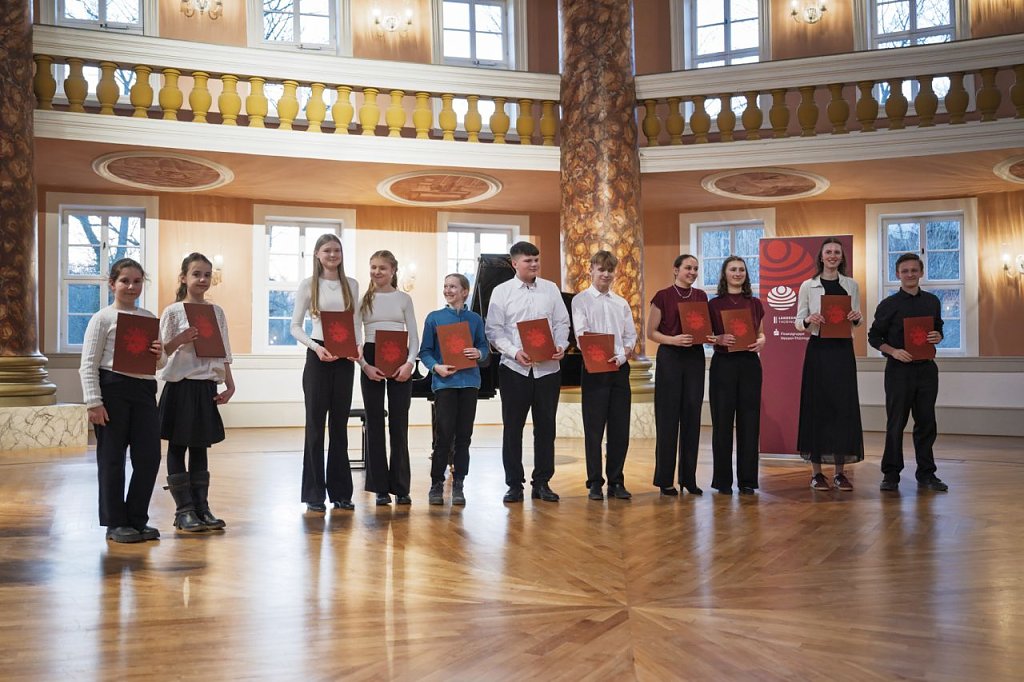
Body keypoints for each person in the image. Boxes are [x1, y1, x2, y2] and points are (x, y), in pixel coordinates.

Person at [78, 257, 164, 543]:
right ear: (112, 284)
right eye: (125, 281)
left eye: (137, 281)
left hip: (144, 391)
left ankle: (137, 519)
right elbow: (88, 364)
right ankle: (115, 523)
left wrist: (159, 353)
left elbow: (160, 363)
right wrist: (94, 402)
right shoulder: (102, 318)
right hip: (112, 391)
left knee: (149, 457)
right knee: (112, 459)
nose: (131, 286)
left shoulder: (148, 317)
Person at [485, 241, 571, 503]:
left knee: (546, 429)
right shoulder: (501, 292)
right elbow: (494, 330)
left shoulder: (551, 289)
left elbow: (562, 323)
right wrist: (514, 352)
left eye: (536, 260)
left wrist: (561, 345)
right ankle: (514, 485)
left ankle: (542, 482)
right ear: (515, 263)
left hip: (548, 370)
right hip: (515, 370)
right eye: (528, 261)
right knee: (513, 429)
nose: (534, 264)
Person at [158, 252, 235, 532]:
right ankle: (184, 511)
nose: (202, 279)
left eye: (207, 275)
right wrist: (180, 339)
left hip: (206, 386)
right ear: (183, 277)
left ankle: (202, 508)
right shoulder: (173, 312)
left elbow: (224, 351)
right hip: (181, 386)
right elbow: (160, 355)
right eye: (196, 274)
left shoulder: (217, 312)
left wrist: (229, 383)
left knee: (201, 446)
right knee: (178, 446)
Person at [290, 233, 361, 513]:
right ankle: (314, 494)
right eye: (327, 250)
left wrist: (357, 347)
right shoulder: (308, 285)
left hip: (344, 357)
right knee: (316, 426)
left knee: (339, 427)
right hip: (318, 355)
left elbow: (356, 322)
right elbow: (295, 327)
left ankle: (341, 493)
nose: (333, 255)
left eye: (337, 250)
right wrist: (316, 348)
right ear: (317, 255)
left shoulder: (351, 284)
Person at [868, 252, 948, 492]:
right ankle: (891, 475)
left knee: (926, 423)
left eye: (914, 270)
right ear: (898, 274)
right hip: (898, 371)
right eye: (905, 271)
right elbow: (874, 337)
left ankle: (927, 474)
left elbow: (938, 329)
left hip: (927, 370)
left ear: (921, 272)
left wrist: (938, 336)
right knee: (896, 424)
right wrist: (894, 351)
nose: (910, 274)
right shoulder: (888, 305)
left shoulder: (932, 301)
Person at [795, 238, 864, 491]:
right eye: (828, 252)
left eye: (837, 252)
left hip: (843, 350)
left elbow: (856, 318)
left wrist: (857, 317)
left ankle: (839, 473)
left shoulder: (851, 285)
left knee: (842, 408)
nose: (833, 256)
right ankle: (816, 473)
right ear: (821, 257)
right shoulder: (808, 285)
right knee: (818, 407)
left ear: (841, 257)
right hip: (819, 350)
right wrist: (809, 320)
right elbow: (798, 321)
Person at [418, 273, 489, 506]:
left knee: (464, 437)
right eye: (446, 286)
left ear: (465, 292)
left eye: (453, 287)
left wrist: (479, 353)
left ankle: (459, 483)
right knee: (444, 436)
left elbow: (484, 348)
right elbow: (425, 351)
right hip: (444, 384)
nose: (448, 290)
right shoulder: (435, 318)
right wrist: (436, 367)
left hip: (469, 383)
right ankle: (436, 483)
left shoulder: (475, 319)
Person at [571, 251, 637, 501]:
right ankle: (595, 482)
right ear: (591, 270)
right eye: (601, 269)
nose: (606, 274)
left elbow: (630, 336)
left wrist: (621, 356)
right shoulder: (581, 301)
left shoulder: (621, 303)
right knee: (594, 429)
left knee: (620, 429)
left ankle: (616, 481)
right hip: (594, 369)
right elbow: (581, 335)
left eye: (610, 270)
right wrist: (601, 355)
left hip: (619, 369)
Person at [359, 250, 419, 506]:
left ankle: (401, 487)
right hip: (371, 358)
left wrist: (409, 363)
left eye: (382, 267)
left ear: (393, 270)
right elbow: (356, 338)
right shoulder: (363, 300)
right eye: (373, 267)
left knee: (399, 423)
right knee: (374, 423)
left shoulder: (404, 299)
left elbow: (414, 336)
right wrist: (364, 366)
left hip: (399, 358)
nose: (377, 272)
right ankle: (379, 488)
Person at [648, 254, 710, 496]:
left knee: (692, 417)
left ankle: (689, 478)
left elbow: (704, 328)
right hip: (670, 358)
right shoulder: (663, 296)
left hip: (694, 358)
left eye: (695, 268)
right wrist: (673, 340)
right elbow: (651, 332)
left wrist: (711, 337)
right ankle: (665, 480)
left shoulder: (701, 296)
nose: (692, 272)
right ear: (676, 270)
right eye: (687, 268)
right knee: (668, 419)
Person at [707, 256, 766, 495]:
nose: (738, 273)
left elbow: (761, 333)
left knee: (749, 423)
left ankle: (747, 481)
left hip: (750, 364)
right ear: (725, 273)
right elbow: (706, 336)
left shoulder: (755, 303)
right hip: (723, 365)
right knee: (722, 423)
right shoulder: (713, 304)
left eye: (742, 269)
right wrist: (718, 339)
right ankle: (722, 481)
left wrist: (762, 341)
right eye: (733, 269)